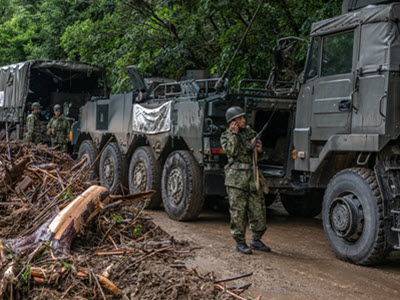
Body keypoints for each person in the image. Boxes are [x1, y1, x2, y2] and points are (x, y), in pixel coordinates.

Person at [220, 106, 270, 255]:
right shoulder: (226, 136)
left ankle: (256, 239)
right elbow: (231, 152)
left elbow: (258, 156)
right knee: (238, 212)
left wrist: (260, 151)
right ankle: (240, 242)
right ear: (232, 122)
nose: (243, 120)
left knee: (258, 210)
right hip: (236, 180)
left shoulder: (250, 133)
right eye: (239, 119)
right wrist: (234, 135)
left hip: (252, 177)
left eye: (243, 118)